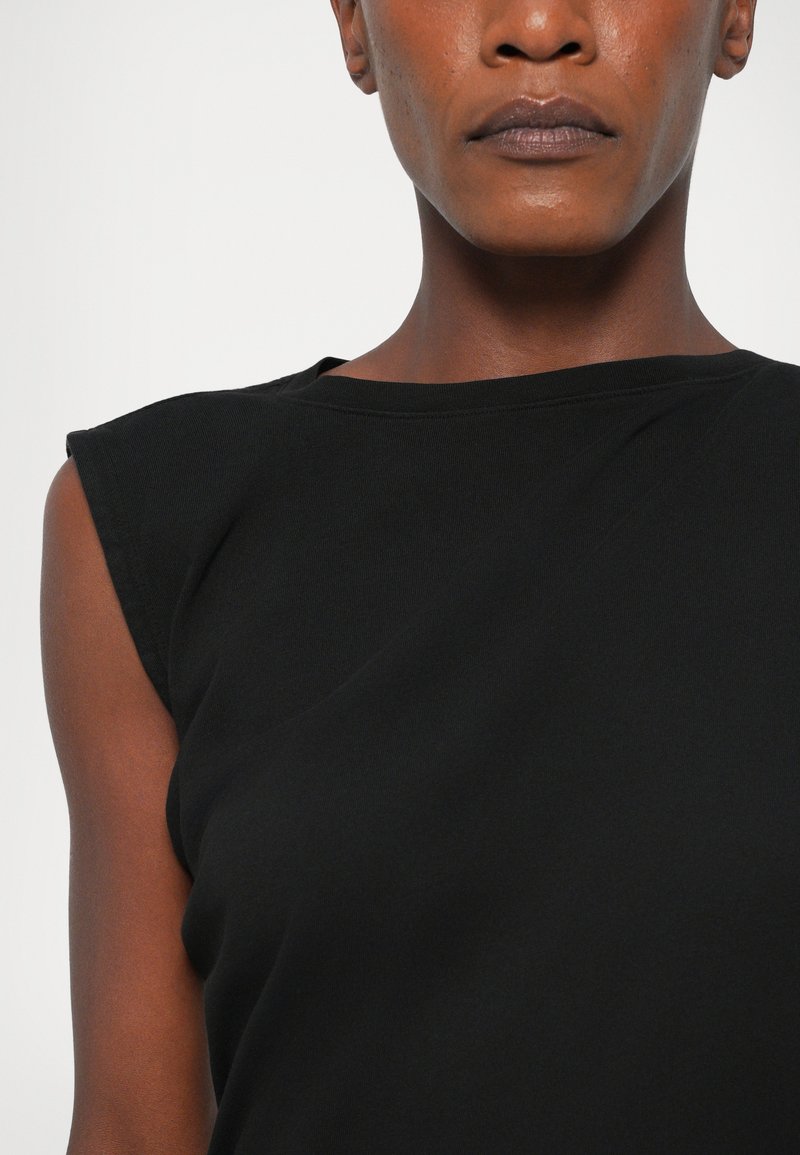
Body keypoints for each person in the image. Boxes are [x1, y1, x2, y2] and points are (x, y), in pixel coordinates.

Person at [40, 0, 799, 1151]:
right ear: (353, 26)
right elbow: (134, 1133)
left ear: (732, 16)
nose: (536, 26)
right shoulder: (151, 518)